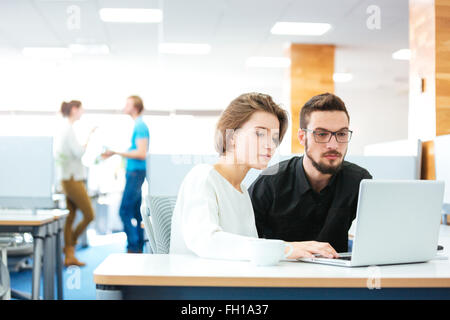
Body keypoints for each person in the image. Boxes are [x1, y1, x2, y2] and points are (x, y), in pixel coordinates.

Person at [170, 92, 340, 260]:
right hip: (201, 284)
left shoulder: (242, 191)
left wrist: (294, 249)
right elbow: (207, 241)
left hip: (234, 282)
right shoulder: (203, 177)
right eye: (260, 134)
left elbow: (249, 250)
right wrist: (285, 248)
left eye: (274, 138)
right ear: (232, 137)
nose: (270, 145)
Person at [248, 93, 373, 254]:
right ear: (302, 137)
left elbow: (380, 235)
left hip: (337, 276)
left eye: (341, 134)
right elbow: (244, 243)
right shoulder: (270, 181)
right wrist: (288, 248)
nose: (333, 144)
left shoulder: (359, 181)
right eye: (321, 134)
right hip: (280, 274)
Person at [102, 96, 149, 253]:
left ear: (135, 107)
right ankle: (138, 245)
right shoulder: (138, 125)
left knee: (124, 211)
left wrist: (116, 152)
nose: (124, 106)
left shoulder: (140, 126)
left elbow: (142, 153)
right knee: (136, 212)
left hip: (136, 172)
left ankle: (133, 246)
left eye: (128, 104)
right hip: (134, 172)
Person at [55, 100, 95, 266]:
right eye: (81, 110)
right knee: (89, 214)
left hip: (68, 177)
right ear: (74, 110)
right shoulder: (67, 129)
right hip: (71, 178)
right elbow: (78, 152)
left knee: (71, 217)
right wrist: (88, 137)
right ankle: (69, 245)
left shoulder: (65, 128)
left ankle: (69, 255)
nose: (82, 113)